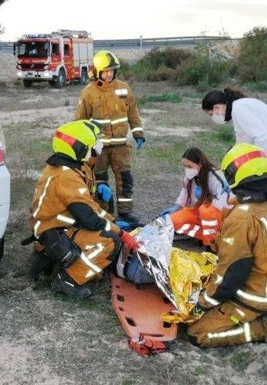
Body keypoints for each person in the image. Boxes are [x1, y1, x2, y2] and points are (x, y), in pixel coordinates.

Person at [186, 143, 267, 350]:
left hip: (252, 296)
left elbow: (232, 273)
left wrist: (203, 303)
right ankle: (265, 314)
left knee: (197, 333)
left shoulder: (242, 219)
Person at [28, 120, 139, 298]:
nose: (100, 144)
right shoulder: (66, 177)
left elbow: (88, 203)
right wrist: (120, 233)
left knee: (107, 222)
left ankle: (52, 260)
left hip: (56, 225)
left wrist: (111, 220)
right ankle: (67, 279)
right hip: (53, 232)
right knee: (109, 242)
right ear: (81, 147)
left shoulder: (73, 166)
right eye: (95, 141)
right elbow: (90, 219)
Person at [75, 50, 146, 224]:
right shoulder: (88, 93)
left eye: (112, 70)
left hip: (121, 146)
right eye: (106, 71)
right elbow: (80, 121)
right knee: (100, 182)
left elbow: (133, 111)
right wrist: (83, 145)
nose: (109, 74)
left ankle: (125, 211)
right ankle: (103, 213)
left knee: (125, 179)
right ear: (97, 72)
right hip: (99, 148)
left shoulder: (123, 88)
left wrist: (138, 132)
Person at [201, 87, 267, 203]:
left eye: (211, 114)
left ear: (217, 108)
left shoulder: (239, 109)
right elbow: (243, 144)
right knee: (265, 197)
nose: (213, 118)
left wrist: (256, 164)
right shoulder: (237, 110)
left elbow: (263, 138)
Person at [158, 147, 233, 249]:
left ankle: (211, 244)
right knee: (173, 221)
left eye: (189, 166)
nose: (187, 169)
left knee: (206, 211)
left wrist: (209, 202)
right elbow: (184, 192)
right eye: (184, 166)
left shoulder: (215, 176)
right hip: (197, 211)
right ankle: (207, 235)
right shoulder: (189, 177)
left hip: (216, 214)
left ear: (200, 164)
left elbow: (227, 200)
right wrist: (178, 206)